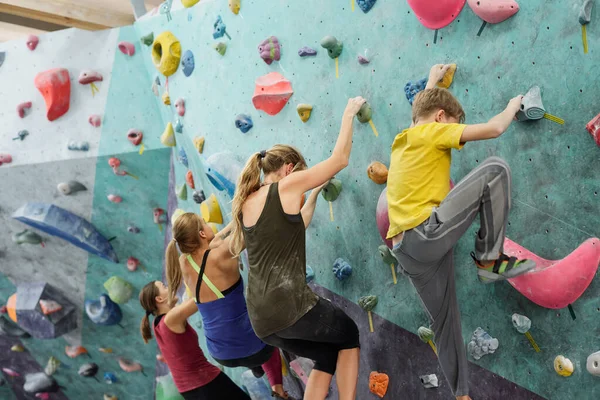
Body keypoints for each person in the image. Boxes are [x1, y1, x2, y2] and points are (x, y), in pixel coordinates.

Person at [386, 64, 536, 400]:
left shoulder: (404, 139)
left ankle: (460, 394)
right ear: (441, 118)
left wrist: (432, 81)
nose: (456, 134)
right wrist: (514, 104)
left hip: (408, 253)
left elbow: (419, 116)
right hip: (424, 234)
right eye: (454, 123)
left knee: (444, 322)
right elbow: (496, 128)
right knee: (495, 169)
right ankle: (489, 259)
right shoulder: (432, 131)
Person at [228, 96, 366, 400]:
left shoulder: (248, 202)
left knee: (326, 357)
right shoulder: (286, 187)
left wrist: (314, 195)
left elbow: (294, 226)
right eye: (301, 178)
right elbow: (339, 160)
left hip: (263, 321)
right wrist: (348, 112)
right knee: (350, 334)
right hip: (289, 307)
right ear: (289, 170)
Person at [165, 213, 289, 399]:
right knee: (267, 326)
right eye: (206, 223)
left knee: (240, 334)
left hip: (220, 353)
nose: (209, 225)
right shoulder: (224, 252)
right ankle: (278, 389)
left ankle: (254, 366)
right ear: (201, 233)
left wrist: (232, 224)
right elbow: (256, 225)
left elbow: (210, 245)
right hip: (255, 348)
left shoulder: (184, 261)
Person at [139, 281, 250, 400]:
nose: (170, 287)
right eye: (164, 286)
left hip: (190, 390)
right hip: (205, 383)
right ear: (160, 299)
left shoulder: (157, 324)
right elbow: (203, 295)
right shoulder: (170, 319)